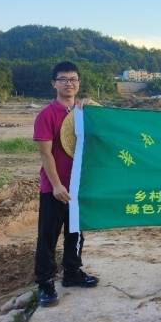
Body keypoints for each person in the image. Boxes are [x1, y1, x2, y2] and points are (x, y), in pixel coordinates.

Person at [33, 61, 99, 307]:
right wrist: (57, 185)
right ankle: (45, 283)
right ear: (54, 83)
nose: (69, 83)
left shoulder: (84, 114)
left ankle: (72, 273)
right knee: (48, 237)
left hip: (78, 186)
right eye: (63, 79)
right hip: (55, 188)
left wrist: (93, 110)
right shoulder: (46, 115)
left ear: (79, 83)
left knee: (75, 233)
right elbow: (46, 155)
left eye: (73, 79)